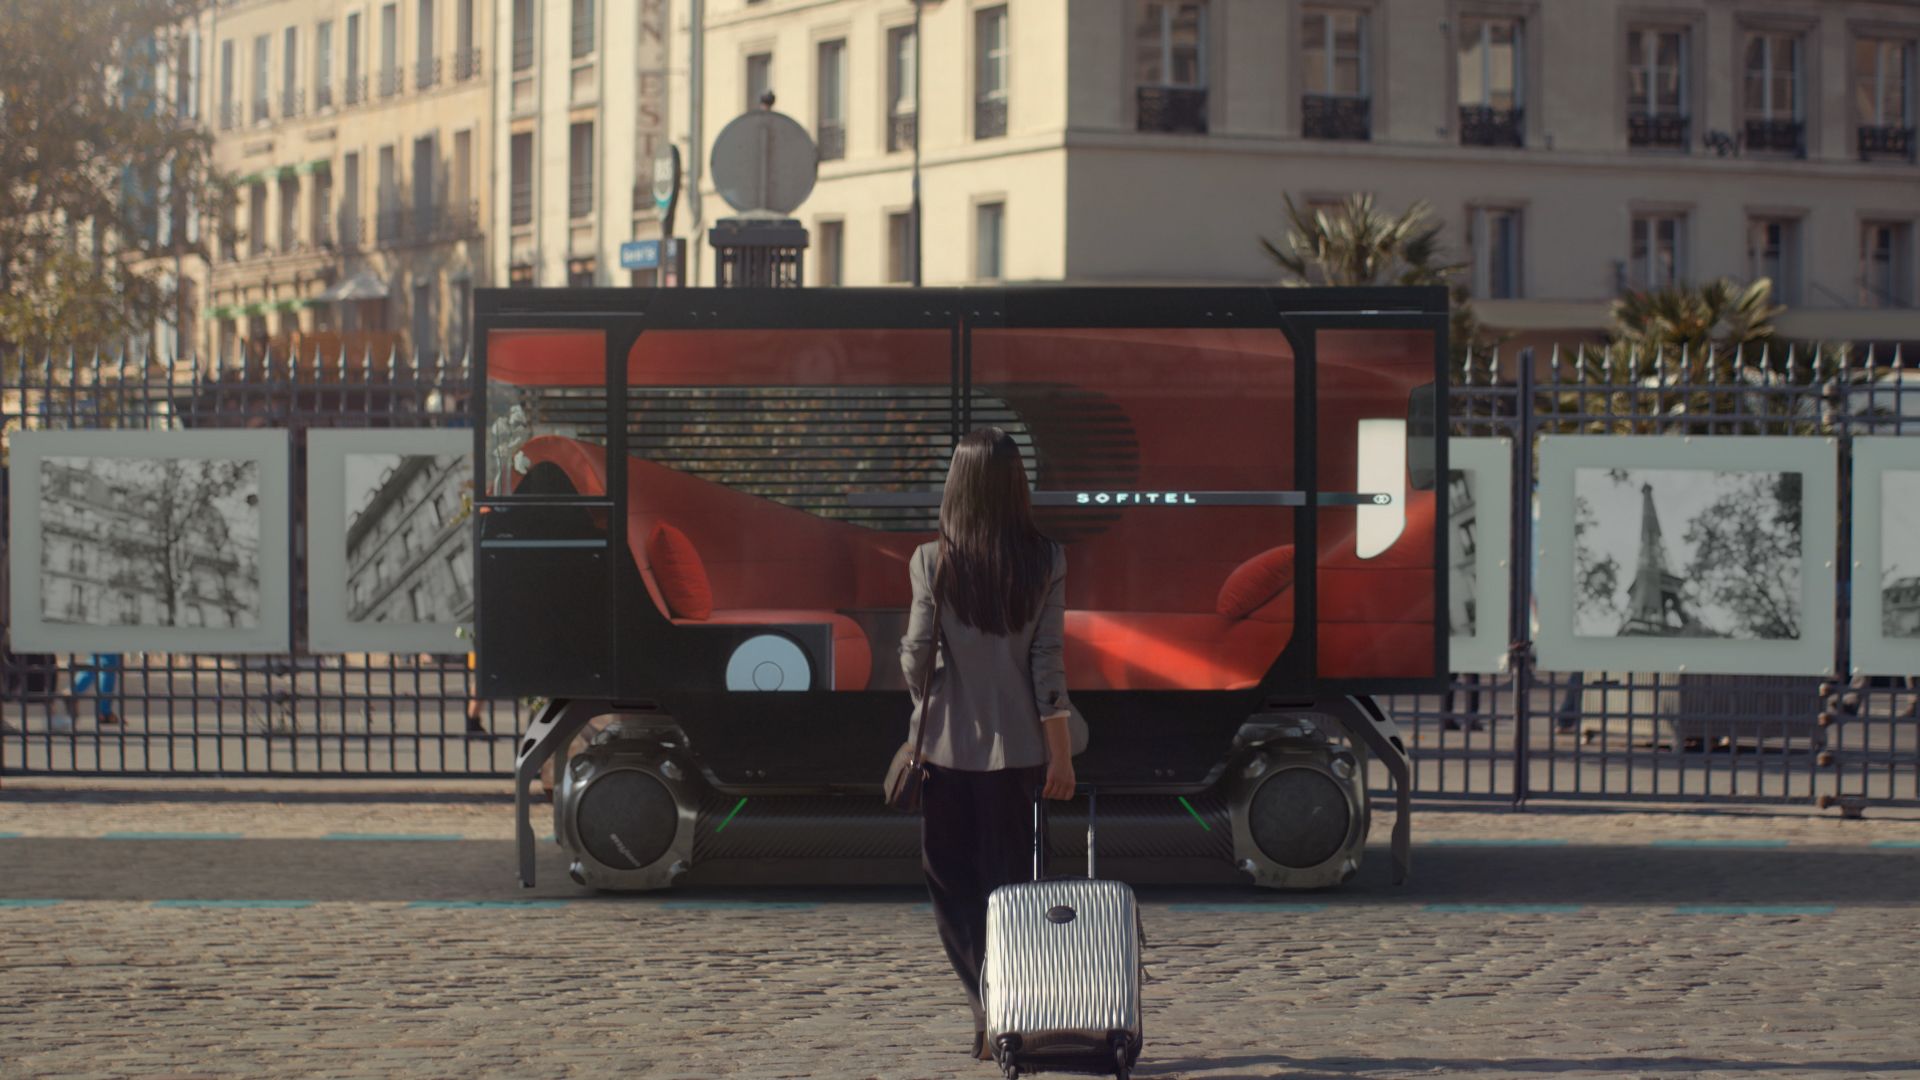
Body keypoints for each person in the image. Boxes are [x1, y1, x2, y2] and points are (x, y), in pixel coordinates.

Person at [900, 427, 1088, 1064]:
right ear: (1016, 485)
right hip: (1022, 754)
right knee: (1014, 886)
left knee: (951, 884)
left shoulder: (932, 560)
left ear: (958, 485)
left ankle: (984, 1003)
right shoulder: (1046, 560)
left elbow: (918, 656)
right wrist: (1060, 751)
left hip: (945, 752)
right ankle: (1016, 1005)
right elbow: (1047, 661)